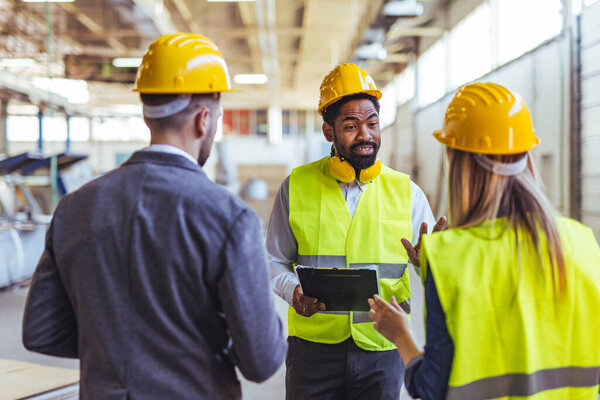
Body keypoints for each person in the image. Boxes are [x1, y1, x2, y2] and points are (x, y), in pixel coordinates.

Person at [22, 33, 286, 400]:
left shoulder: (74, 208)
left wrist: (113, 348)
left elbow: (41, 331)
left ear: (148, 114)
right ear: (203, 120)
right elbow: (262, 359)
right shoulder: (228, 217)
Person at [368, 82, 600, 399]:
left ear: (459, 163)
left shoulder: (449, 256)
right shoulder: (582, 242)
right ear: (527, 155)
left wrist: (400, 334)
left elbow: (429, 386)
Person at [267, 62, 444, 400]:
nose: (365, 135)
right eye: (351, 125)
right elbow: (275, 261)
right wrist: (293, 292)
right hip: (312, 349)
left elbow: (438, 277)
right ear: (329, 132)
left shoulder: (407, 191)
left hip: (382, 346)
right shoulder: (296, 186)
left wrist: (427, 262)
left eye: (372, 123)